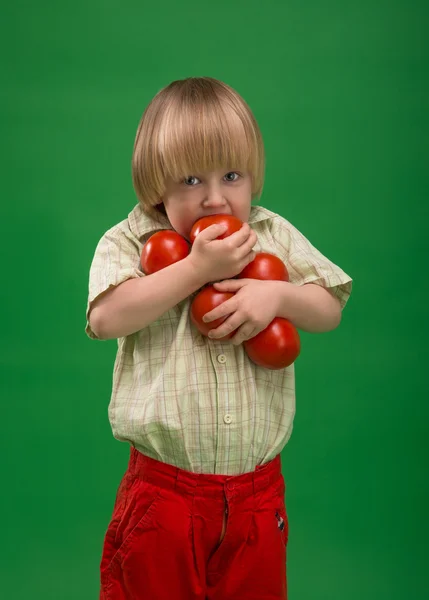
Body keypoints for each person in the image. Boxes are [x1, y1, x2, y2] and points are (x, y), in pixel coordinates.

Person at [85, 76, 353, 600]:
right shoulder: (130, 240)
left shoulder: (270, 233)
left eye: (231, 175)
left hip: (257, 499)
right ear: (155, 184)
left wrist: (278, 297)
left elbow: (328, 310)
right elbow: (106, 319)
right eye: (190, 180)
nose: (214, 198)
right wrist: (193, 270)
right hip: (164, 497)